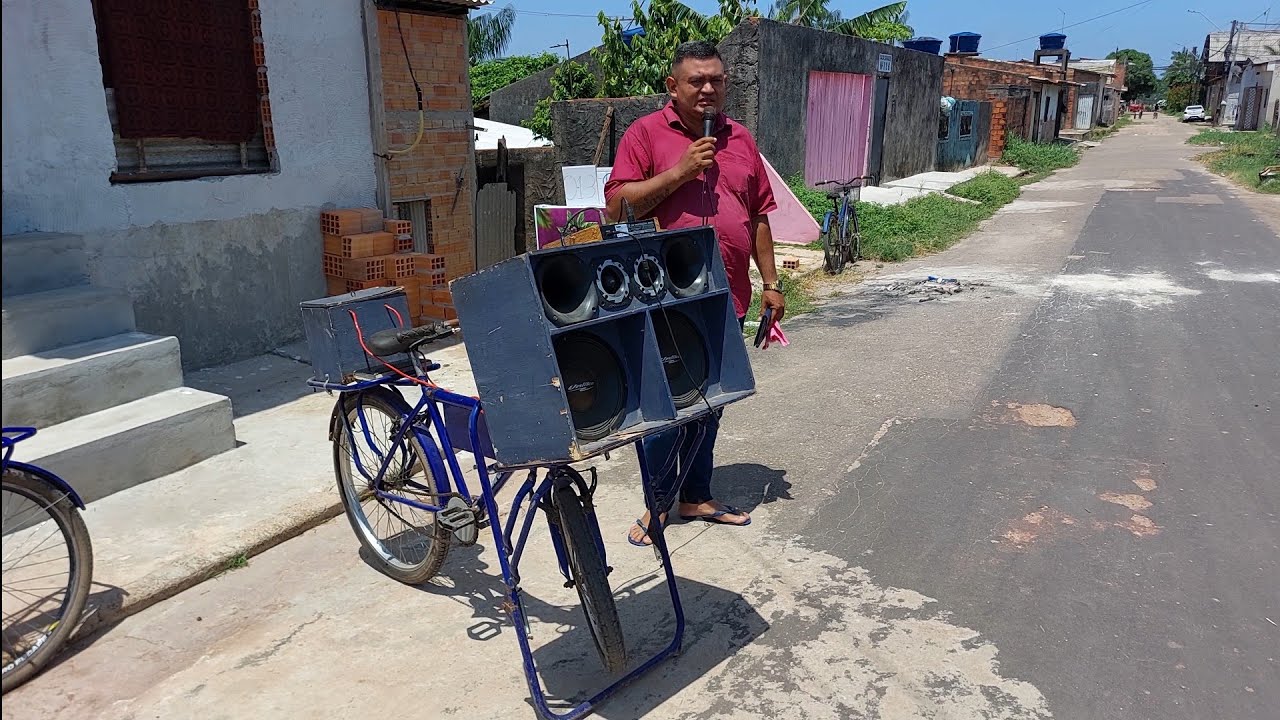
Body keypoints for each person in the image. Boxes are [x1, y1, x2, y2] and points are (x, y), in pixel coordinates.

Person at [603, 40, 785, 547]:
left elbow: (758, 215)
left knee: (713, 400)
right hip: (664, 299)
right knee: (666, 404)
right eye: (696, 80)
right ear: (672, 86)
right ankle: (658, 503)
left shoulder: (740, 138)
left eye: (716, 80)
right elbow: (616, 207)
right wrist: (680, 172)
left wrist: (771, 283)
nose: (708, 88)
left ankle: (696, 496)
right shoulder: (645, 134)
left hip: (727, 294)